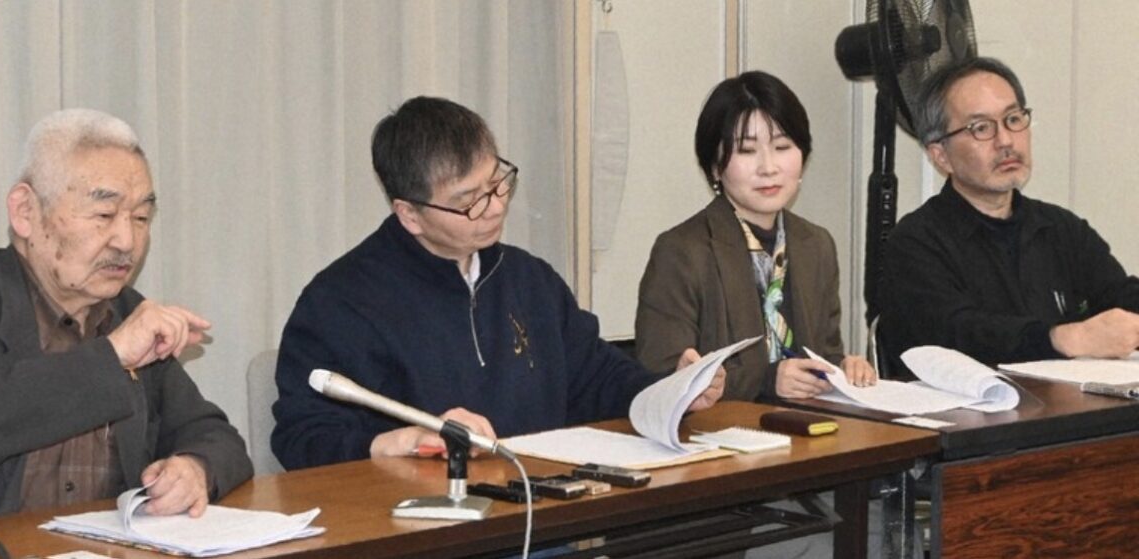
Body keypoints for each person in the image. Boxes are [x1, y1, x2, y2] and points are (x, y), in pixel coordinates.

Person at [272, 96, 724, 469]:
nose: (494, 207)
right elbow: (302, 437)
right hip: (427, 524)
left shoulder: (528, 280)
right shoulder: (341, 303)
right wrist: (395, 442)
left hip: (539, 510)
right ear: (409, 214)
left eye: (497, 183)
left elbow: (595, 378)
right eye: (468, 201)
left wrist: (670, 392)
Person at [0, 109, 252, 523]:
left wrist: (195, 469)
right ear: (25, 212)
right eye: (104, 215)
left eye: (141, 218)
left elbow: (216, 437)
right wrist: (111, 357)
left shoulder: (126, 313)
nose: (127, 241)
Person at [879, 57, 1139, 370]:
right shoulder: (915, 242)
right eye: (981, 128)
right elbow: (958, 334)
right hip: (970, 401)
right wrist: (1061, 339)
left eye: (1013, 119)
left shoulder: (1062, 229)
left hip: (1068, 399)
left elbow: (1122, 299)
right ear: (941, 156)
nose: (1005, 141)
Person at [635, 71, 875, 403]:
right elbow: (659, 377)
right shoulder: (681, 251)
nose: (768, 167)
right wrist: (764, 381)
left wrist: (843, 369)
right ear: (715, 166)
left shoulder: (816, 245)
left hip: (806, 427)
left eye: (782, 147)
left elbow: (824, 354)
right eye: (747, 150)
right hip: (718, 431)